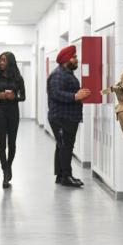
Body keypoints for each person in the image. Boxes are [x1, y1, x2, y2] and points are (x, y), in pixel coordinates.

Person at [46, 45, 91, 187]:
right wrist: (75, 96)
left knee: (62, 146)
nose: (77, 60)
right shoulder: (58, 74)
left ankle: (60, 175)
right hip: (61, 117)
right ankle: (66, 176)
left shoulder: (66, 73)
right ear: (67, 59)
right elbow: (55, 93)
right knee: (66, 147)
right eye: (74, 57)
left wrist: (78, 94)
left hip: (67, 117)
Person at [0, 51, 26, 189]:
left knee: (12, 143)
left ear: (10, 62)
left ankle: (9, 165)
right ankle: (5, 171)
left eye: (4, 60)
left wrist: (14, 97)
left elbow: (23, 97)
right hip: (0, 111)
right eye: (0, 60)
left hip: (13, 112)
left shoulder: (18, 78)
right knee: (2, 143)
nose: (1, 62)